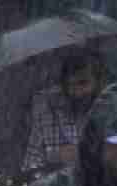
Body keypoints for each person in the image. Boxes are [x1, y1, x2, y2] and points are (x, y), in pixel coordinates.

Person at [22, 49, 107, 177]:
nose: (76, 92)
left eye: (83, 83)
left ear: (98, 82)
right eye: (70, 85)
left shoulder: (112, 114)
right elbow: (29, 167)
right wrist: (55, 156)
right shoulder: (46, 114)